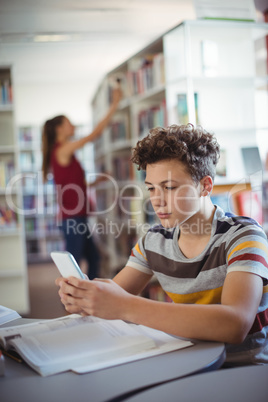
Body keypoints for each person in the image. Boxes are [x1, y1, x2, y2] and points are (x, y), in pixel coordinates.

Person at [56, 123, 268, 366]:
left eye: (169, 187)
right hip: (186, 365)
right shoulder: (154, 241)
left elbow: (235, 324)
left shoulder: (244, 236)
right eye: (151, 189)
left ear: (205, 186)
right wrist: (85, 298)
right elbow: (114, 296)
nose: (156, 201)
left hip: (241, 372)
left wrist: (124, 306)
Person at [42, 86, 122, 279]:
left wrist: (98, 180)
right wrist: (115, 104)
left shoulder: (63, 152)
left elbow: (77, 186)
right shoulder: (62, 149)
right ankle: (71, 301)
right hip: (72, 218)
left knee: (93, 259)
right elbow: (93, 135)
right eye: (69, 123)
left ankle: (89, 297)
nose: (73, 126)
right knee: (74, 263)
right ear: (59, 129)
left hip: (78, 216)